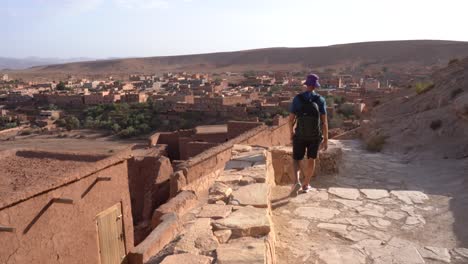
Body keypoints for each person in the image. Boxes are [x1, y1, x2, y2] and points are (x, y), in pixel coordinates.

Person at [289, 73, 328, 196]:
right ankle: (306, 184)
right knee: (311, 159)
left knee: (296, 159)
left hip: (300, 134)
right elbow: (324, 122)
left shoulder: (298, 99)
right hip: (315, 136)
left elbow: (290, 119)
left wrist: (291, 133)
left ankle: (296, 182)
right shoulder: (320, 100)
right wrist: (326, 139)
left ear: (306, 84)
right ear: (316, 86)